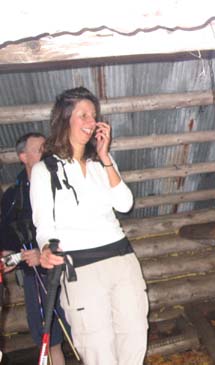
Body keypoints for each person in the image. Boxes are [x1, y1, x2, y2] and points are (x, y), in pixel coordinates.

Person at [30, 86, 149, 365]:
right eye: (83, 115)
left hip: (121, 260)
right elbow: (43, 226)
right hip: (80, 268)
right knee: (97, 345)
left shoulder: (102, 163)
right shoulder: (44, 170)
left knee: (134, 334)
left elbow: (124, 203)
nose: (90, 121)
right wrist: (46, 248)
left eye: (93, 115)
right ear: (65, 119)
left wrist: (106, 156)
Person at [0, 132, 68, 365]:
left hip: (70, 272)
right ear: (23, 156)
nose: (46, 152)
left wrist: (46, 253)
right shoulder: (12, 196)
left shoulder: (62, 184)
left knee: (84, 333)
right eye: (40, 149)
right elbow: (7, 233)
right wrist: (9, 255)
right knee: (49, 340)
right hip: (35, 278)